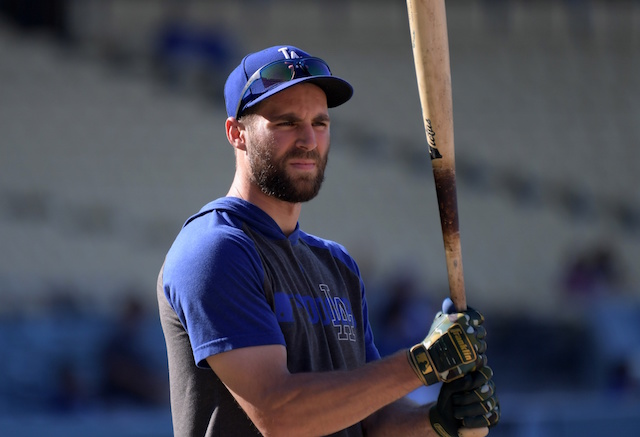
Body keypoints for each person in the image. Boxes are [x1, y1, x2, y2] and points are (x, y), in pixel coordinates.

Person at [157, 45, 500, 437]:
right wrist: (422, 363)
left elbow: (369, 422)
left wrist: (438, 421)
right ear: (237, 133)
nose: (308, 139)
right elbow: (280, 414)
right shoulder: (215, 250)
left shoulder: (336, 265)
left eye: (320, 123)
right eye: (286, 122)